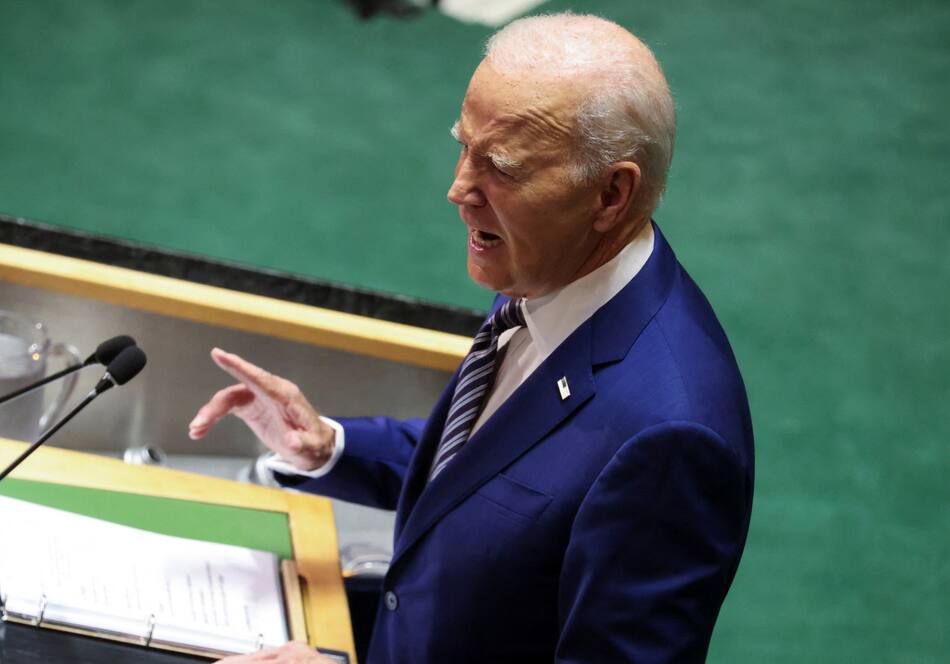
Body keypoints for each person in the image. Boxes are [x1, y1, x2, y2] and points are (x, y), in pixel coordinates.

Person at [189, 12, 754, 664]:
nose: (458, 188)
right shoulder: (552, 274)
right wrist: (331, 447)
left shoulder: (671, 441)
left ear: (610, 195)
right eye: (463, 147)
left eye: (502, 168)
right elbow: (497, 467)